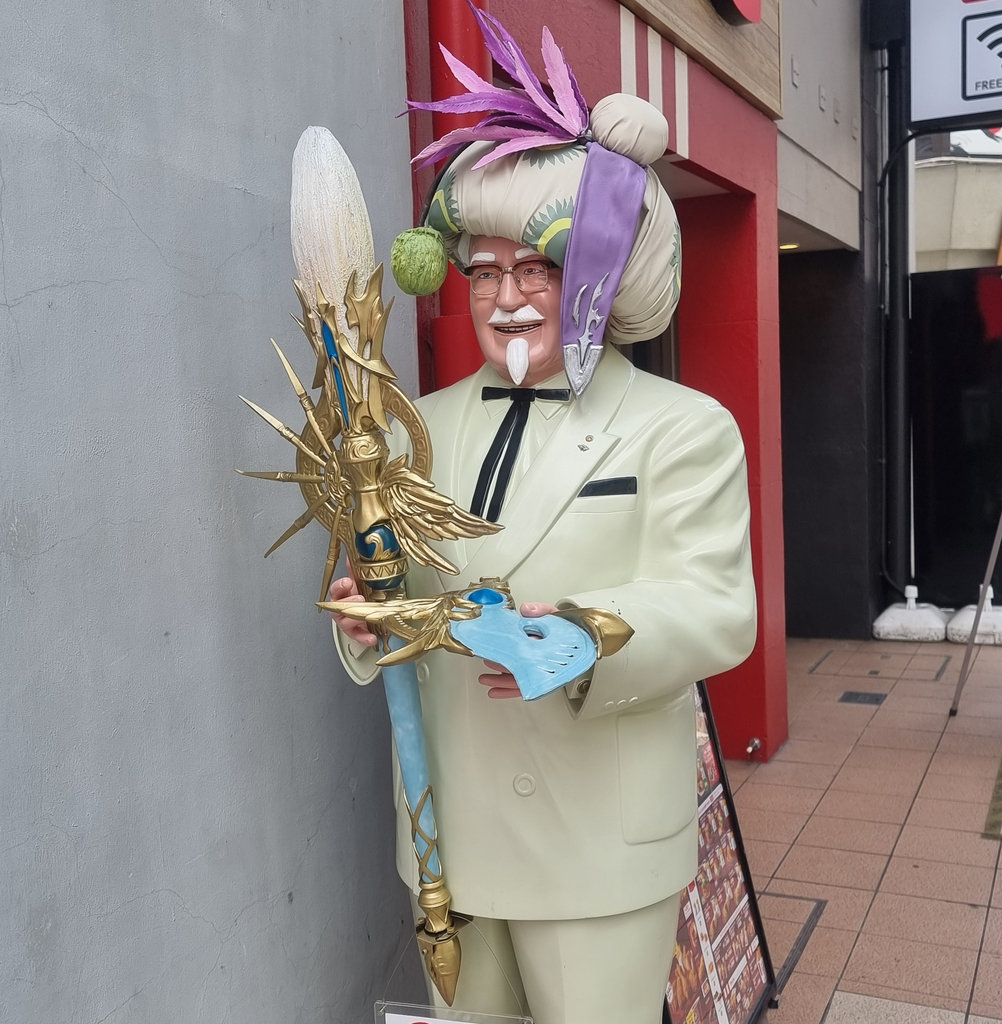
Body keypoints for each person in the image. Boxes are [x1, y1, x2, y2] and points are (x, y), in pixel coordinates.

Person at [328, 10, 756, 1023]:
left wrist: (587, 634)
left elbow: (717, 607)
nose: (506, 297)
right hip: (448, 831)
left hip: (598, 842)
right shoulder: (411, 426)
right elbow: (393, 589)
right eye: (484, 270)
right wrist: (363, 619)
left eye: (536, 268)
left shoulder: (683, 426)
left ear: (599, 274)